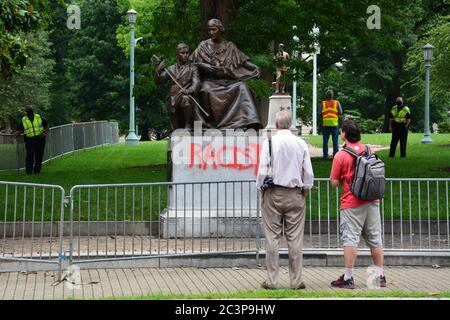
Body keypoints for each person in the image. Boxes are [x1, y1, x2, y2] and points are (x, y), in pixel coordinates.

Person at [256, 111, 314, 290]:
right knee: (295, 239)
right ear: (290, 125)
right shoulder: (300, 143)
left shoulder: (269, 143)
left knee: (272, 238)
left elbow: (263, 170)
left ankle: (272, 281)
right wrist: (305, 190)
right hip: (295, 194)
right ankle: (296, 281)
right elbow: (308, 172)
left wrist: (260, 190)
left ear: (276, 124)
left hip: (273, 193)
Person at [329, 119, 386, 289]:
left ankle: (348, 278)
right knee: (375, 239)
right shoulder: (370, 150)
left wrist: (343, 179)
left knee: (350, 239)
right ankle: (379, 276)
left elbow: (333, 182)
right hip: (372, 200)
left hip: (351, 202)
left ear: (344, 134)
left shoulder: (341, 155)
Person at [190, 18, 261, 129]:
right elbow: (190, 63)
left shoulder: (230, 46)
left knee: (242, 87)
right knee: (205, 90)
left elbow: (244, 61)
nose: (211, 32)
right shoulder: (203, 46)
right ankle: (212, 123)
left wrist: (255, 68)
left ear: (220, 29)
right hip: (210, 81)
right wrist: (202, 65)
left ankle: (249, 121)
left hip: (228, 81)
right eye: (209, 30)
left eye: (214, 29)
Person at [156, 43, 201, 130]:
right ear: (177, 54)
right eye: (182, 53)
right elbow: (159, 81)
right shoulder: (171, 68)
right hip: (173, 96)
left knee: (185, 99)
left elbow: (196, 82)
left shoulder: (193, 68)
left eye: (187, 53)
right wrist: (158, 70)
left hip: (186, 94)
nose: (185, 55)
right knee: (175, 128)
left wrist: (189, 90)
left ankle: (188, 125)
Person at [15, 106, 49, 175]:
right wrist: (16, 134)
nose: (28, 110)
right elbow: (20, 129)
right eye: (27, 109)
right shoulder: (24, 119)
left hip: (40, 139)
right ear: (26, 111)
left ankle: (37, 172)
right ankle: (29, 172)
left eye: (29, 109)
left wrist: (44, 134)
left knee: (39, 156)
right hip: (29, 140)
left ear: (32, 110)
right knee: (29, 156)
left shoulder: (38, 117)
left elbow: (46, 126)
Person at [321, 89, 342, 159]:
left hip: (326, 124)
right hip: (334, 124)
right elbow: (340, 112)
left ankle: (325, 155)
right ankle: (335, 155)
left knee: (325, 141)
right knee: (335, 141)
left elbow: (319, 113)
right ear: (332, 96)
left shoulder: (323, 103)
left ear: (326, 96)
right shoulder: (336, 103)